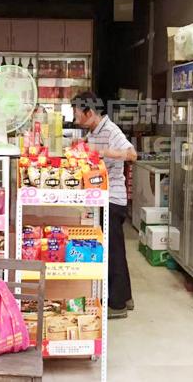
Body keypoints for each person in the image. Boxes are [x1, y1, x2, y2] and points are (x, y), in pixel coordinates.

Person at [71, 91, 137, 319]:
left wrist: (103, 152)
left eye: (77, 113)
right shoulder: (93, 132)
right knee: (115, 249)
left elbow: (132, 154)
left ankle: (117, 305)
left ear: (89, 112)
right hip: (101, 197)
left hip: (113, 199)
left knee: (112, 252)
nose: (75, 118)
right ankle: (125, 297)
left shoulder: (110, 130)